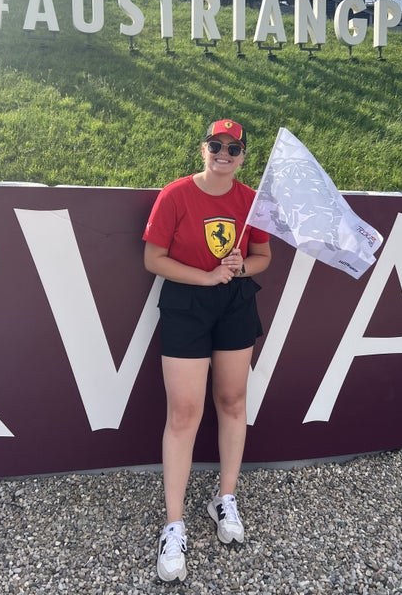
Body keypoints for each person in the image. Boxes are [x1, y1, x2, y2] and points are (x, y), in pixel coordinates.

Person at [143, 119, 272, 583]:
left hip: (234, 303)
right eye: (216, 145)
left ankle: (225, 499)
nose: (224, 154)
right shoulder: (176, 195)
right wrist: (206, 276)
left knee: (232, 400)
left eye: (233, 149)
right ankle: (173, 525)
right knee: (184, 412)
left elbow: (263, 257)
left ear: (243, 156)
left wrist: (239, 267)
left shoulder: (251, 200)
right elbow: (153, 259)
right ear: (204, 149)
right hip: (186, 303)